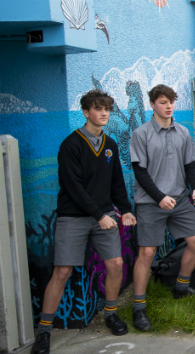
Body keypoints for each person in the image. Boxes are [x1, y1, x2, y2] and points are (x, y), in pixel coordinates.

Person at [31, 90, 137, 354]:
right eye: (98, 109)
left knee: (115, 265)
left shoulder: (110, 145)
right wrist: (100, 215)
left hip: (105, 217)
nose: (104, 114)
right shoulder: (71, 145)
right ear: (86, 112)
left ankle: (110, 313)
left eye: (107, 110)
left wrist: (124, 210)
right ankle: (44, 331)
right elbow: (74, 187)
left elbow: (116, 183)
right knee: (62, 272)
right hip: (74, 217)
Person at [129, 85, 195, 332]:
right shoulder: (141, 134)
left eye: (171, 101)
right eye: (163, 102)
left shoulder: (182, 131)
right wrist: (159, 197)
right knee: (147, 253)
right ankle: (138, 307)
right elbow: (140, 172)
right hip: (151, 202)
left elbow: (190, 164)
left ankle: (181, 287)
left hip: (180, 198)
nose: (168, 105)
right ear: (153, 105)